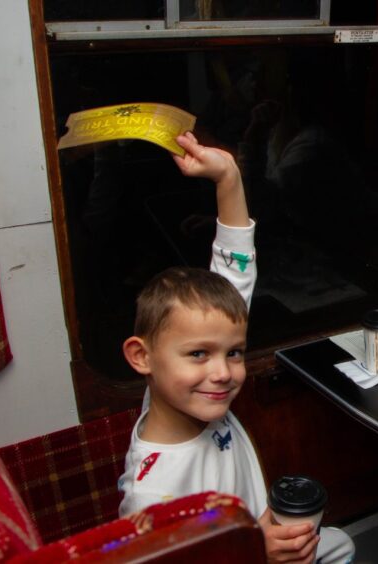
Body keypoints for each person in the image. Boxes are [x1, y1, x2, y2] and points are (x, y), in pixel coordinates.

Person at [117, 131, 354, 564]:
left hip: (254, 534)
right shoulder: (151, 494)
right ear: (142, 358)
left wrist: (227, 177)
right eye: (198, 354)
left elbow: (233, 276)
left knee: (340, 543)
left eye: (234, 352)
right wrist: (251, 551)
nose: (223, 372)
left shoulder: (183, 389)